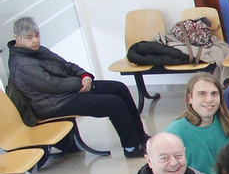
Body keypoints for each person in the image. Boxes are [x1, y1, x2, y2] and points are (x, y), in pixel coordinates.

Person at [6, 15, 147, 154]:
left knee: (119, 88)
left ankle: (142, 137)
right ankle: (132, 147)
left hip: (68, 92)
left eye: (37, 35)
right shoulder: (22, 64)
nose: (35, 40)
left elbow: (66, 65)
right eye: (29, 37)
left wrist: (85, 75)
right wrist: (82, 83)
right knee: (113, 103)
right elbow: (53, 85)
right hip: (55, 104)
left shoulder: (38, 50)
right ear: (17, 38)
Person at [163, 72, 229, 174]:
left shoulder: (226, 122)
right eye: (202, 94)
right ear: (189, 99)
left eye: (214, 93)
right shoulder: (174, 133)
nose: (209, 99)